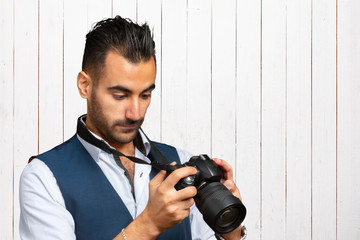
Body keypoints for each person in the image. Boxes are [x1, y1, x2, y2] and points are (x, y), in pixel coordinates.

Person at [19, 15, 246, 240]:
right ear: (85, 85)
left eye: (145, 95)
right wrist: (147, 225)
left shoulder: (181, 162)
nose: (136, 113)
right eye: (120, 95)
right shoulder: (44, 178)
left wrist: (230, 230)